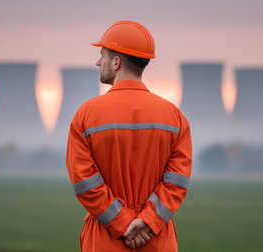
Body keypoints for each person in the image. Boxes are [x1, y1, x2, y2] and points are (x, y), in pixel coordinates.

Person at [66, 20, 192, 251]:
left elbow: (83, 182)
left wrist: (121, 223)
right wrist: (147, 222)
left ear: (116, 62)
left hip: (104, 240)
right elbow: (177, 182)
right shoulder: (174, 117)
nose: (97, 62)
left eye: (102, 54)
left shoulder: (87, 114)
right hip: (157, 239)